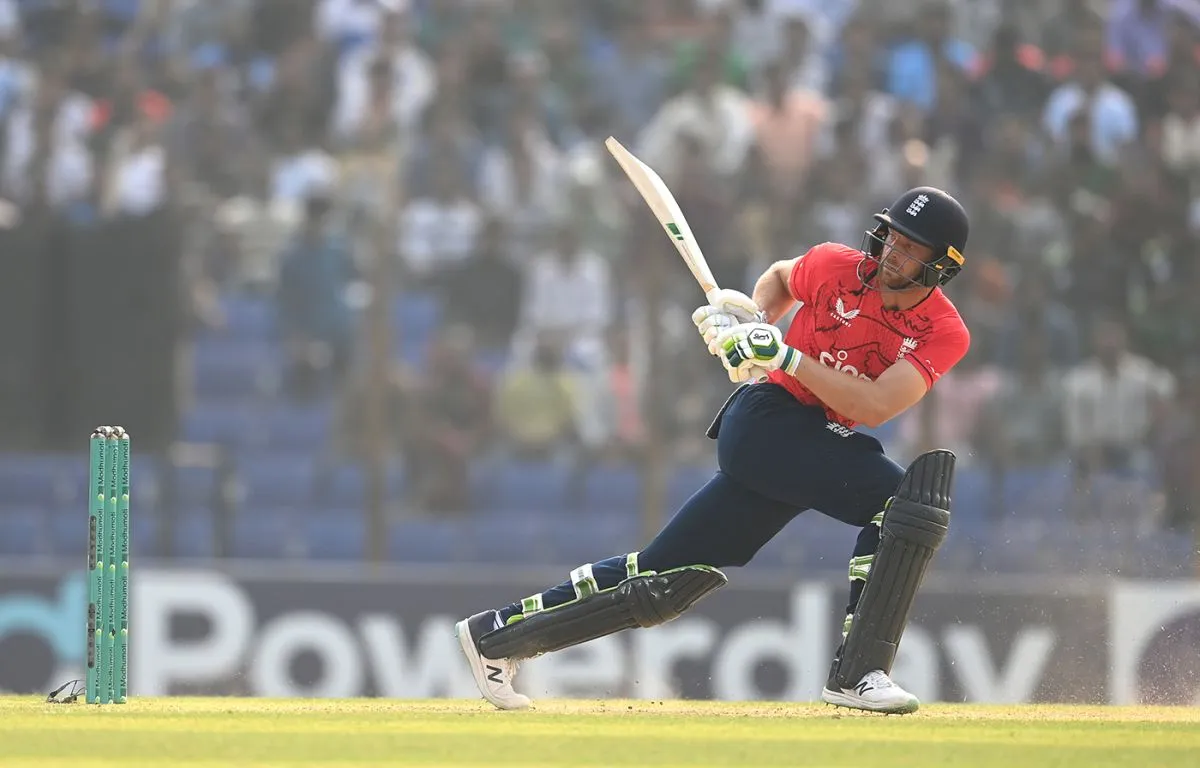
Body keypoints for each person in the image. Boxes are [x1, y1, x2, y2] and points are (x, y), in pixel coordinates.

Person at [455, 187, 972, 714]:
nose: (892, 256)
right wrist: (752, 321)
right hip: (767, 422)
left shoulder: (944, 331)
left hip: (809, 442)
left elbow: (880, 403)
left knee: (660, 579)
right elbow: (776, 278)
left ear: (940, 267)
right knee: (903, 503)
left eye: (912, 251)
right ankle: (860, 672)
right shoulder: (833, 265)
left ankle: (495, 636)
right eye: (893, 240)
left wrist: (784, 355)